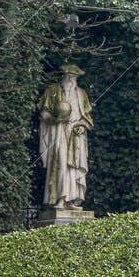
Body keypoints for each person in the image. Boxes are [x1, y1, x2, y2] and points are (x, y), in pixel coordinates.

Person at [38, 64, 94, 209]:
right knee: (61, 163)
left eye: (75, 77)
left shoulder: (82, 94)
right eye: (70, 76)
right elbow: (44, 114)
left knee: (74, 167)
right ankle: (60, 199)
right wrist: (55, 120)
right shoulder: (52, 91)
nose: (72, 79)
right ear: (65, 76)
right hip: (58, 131)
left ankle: (72, 200)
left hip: (76, 135)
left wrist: (82, 126)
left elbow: (87, 118)